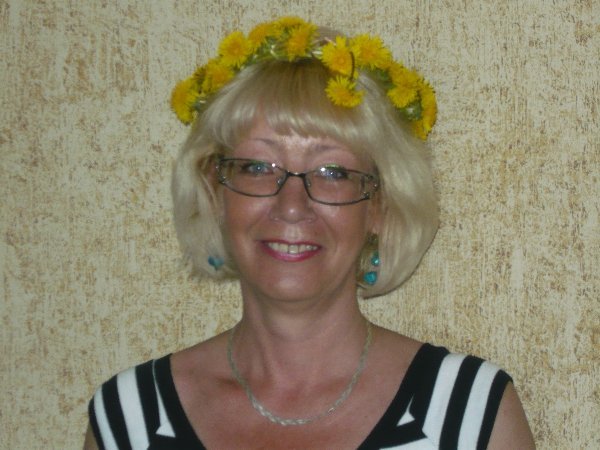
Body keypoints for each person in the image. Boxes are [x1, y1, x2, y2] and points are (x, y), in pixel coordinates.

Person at [84, 17, 535, 449]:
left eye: (333, 172)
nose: (292, 206)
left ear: (379, 206)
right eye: (257, 168)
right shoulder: (131, 419)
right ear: (214, 193)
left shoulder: (468, 414)